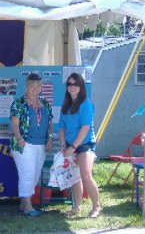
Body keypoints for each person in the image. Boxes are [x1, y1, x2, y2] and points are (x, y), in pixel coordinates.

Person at [10, 73, 53, 217]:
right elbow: (15, 124)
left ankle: (23, 204)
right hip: (24, 144)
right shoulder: (18, 103)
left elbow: (50, 122)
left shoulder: (45, 103)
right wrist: (19, 138)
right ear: (26, 86)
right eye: (31, 86)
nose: (34, 89)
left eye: (37, 86)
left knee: (34, 175)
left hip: (40, 145)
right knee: (26, 174)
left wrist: (50, 139)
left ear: (41, 87)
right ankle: (28, 207)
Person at [58, 73, 101, 218]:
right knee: (74, 178)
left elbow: (85, 128)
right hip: (70, 145)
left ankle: (96, 206)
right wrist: (64, 145)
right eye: (69, 84)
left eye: (75, 84)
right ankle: (76, 207)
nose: (72, 87)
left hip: (85, 144)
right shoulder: (66, 105)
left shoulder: (86, 104)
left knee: (85, 175)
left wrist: (72, 148)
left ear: (81, 87)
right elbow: (62, 128)